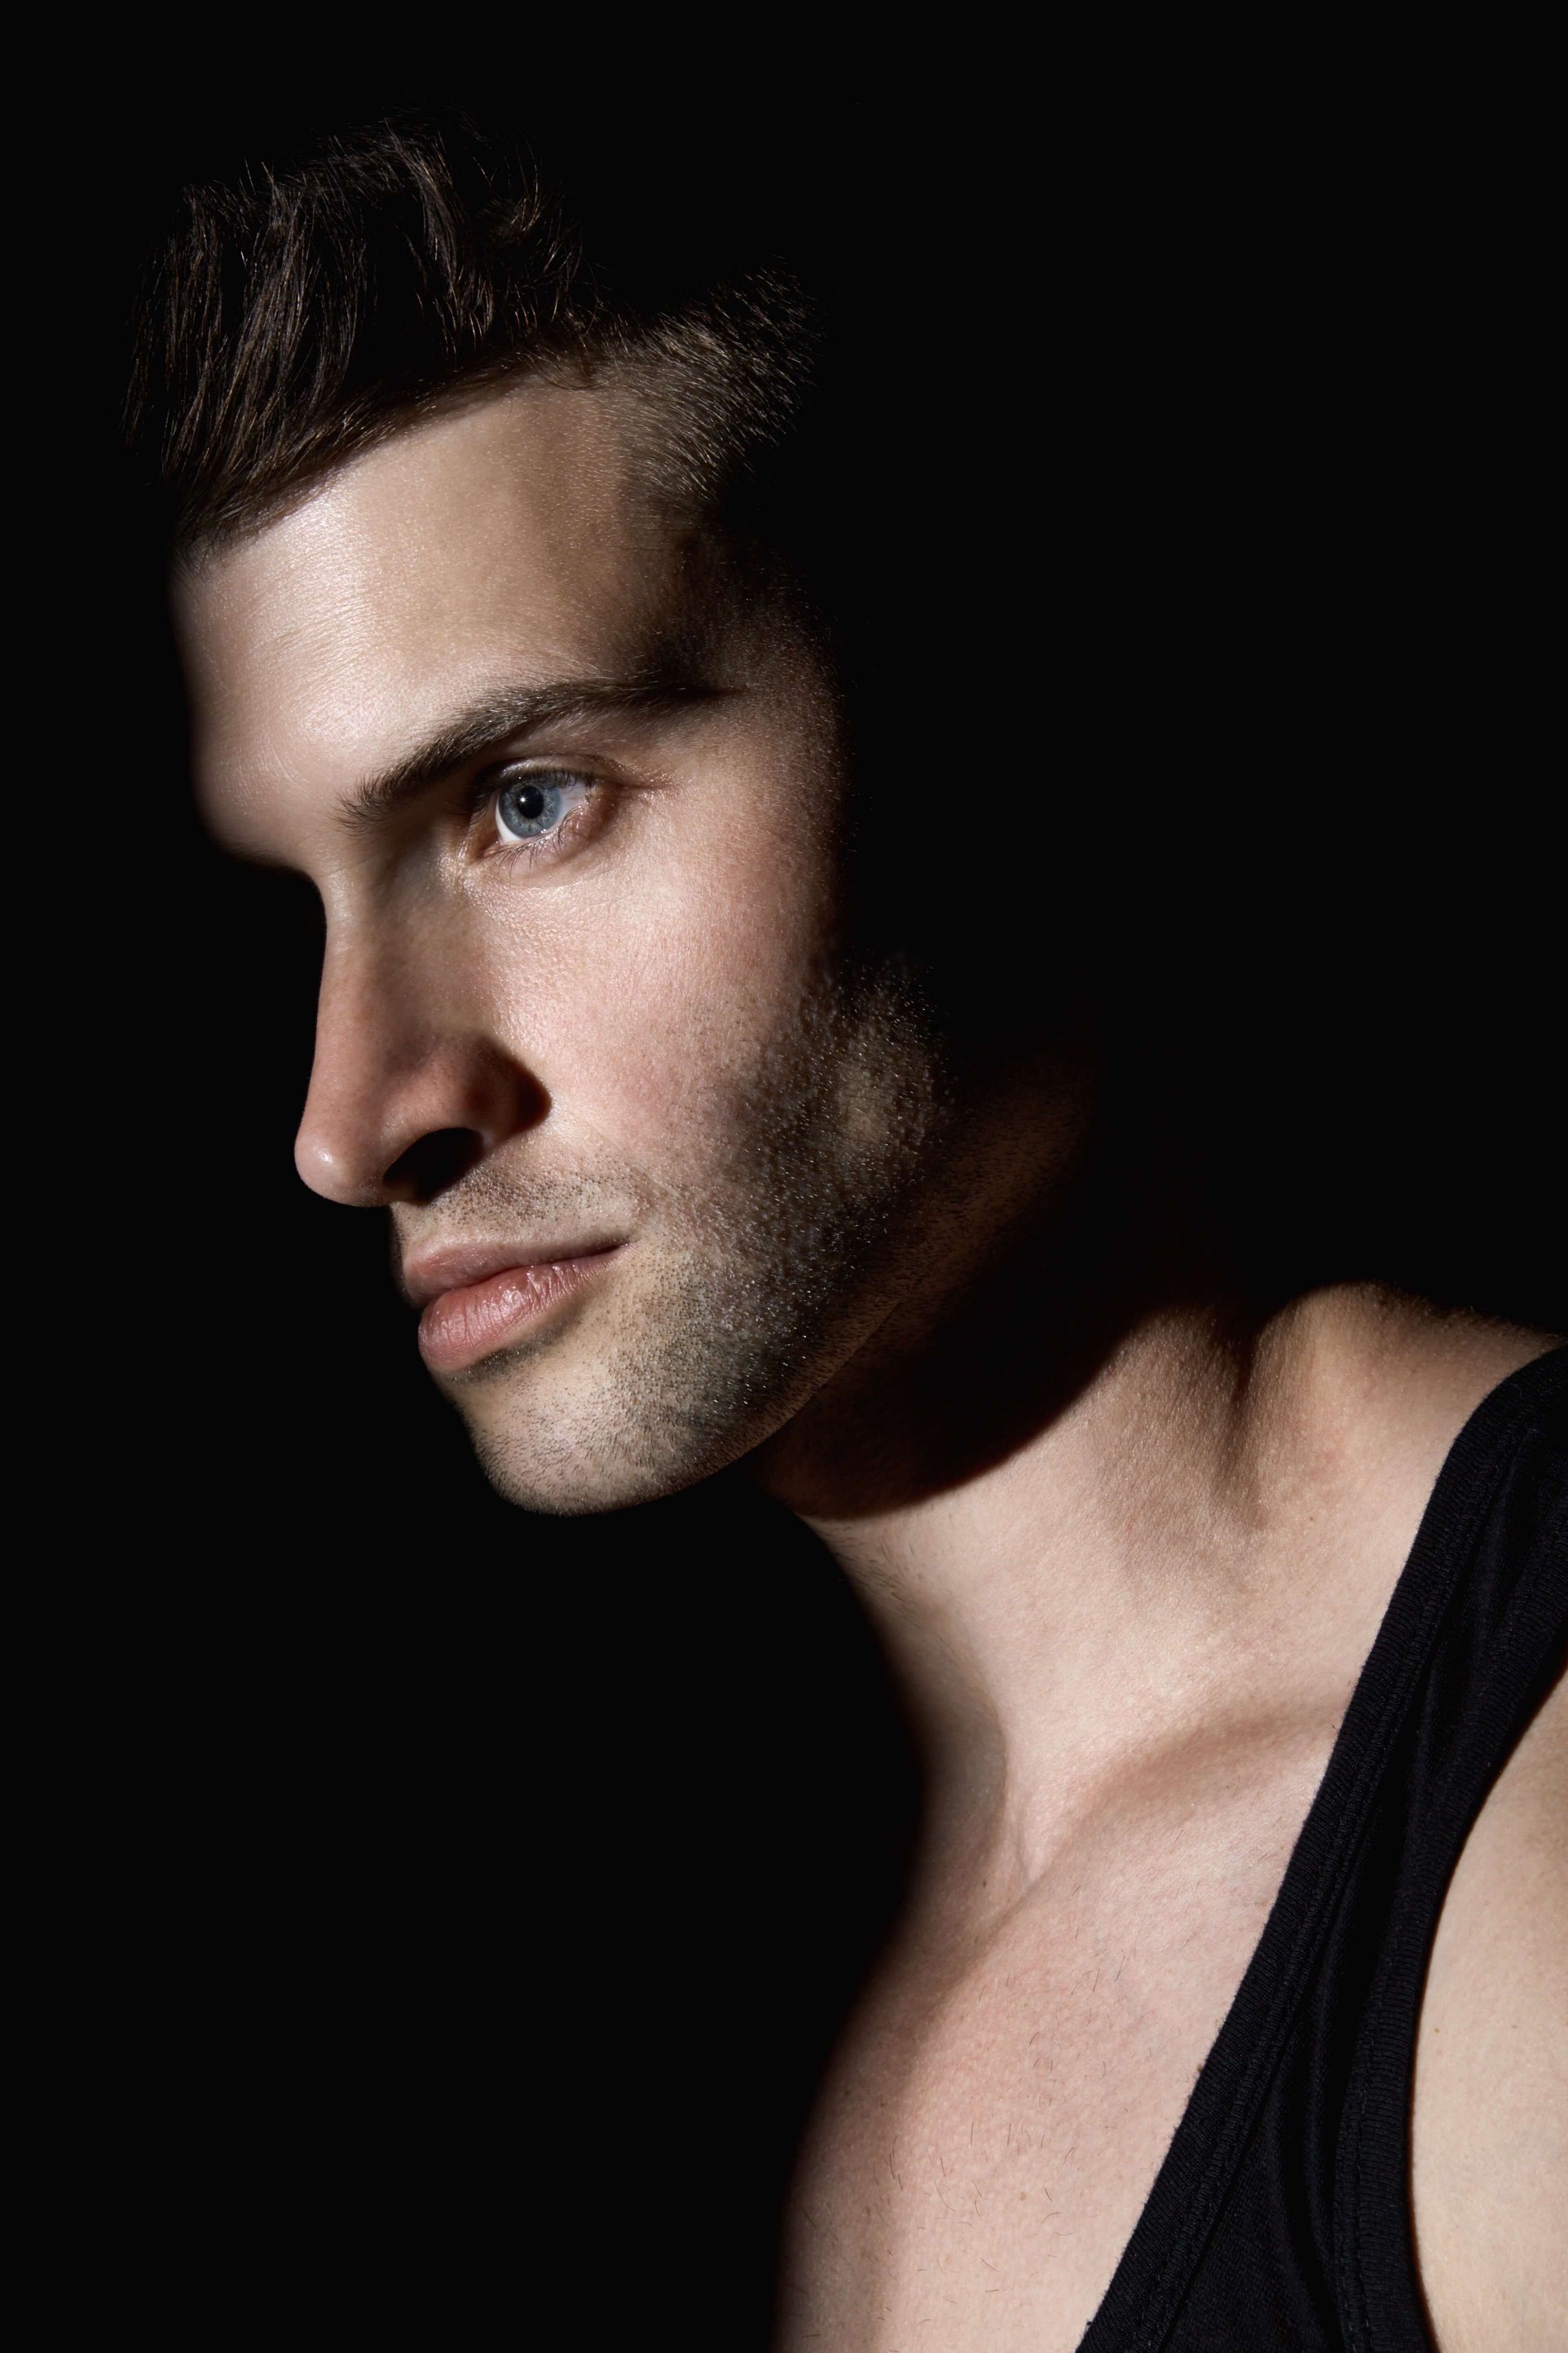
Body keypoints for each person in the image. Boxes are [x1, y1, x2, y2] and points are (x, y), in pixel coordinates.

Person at [125, 108, 1566, 2351]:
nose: (355, 1117)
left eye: (526, 804)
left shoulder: (1529, 1850)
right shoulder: (583, 1943)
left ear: (991, 693)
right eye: (299, 904)